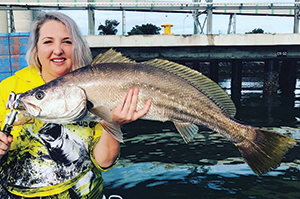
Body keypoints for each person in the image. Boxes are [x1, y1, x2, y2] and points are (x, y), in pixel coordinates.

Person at [0, 11, 151, 198]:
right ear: (36, 49)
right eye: (48, 42)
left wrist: (114, 123)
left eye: (67, 41)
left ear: (77, 47)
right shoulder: (8, 88)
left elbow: (104, 162)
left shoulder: (95, 88)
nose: (57, 50)